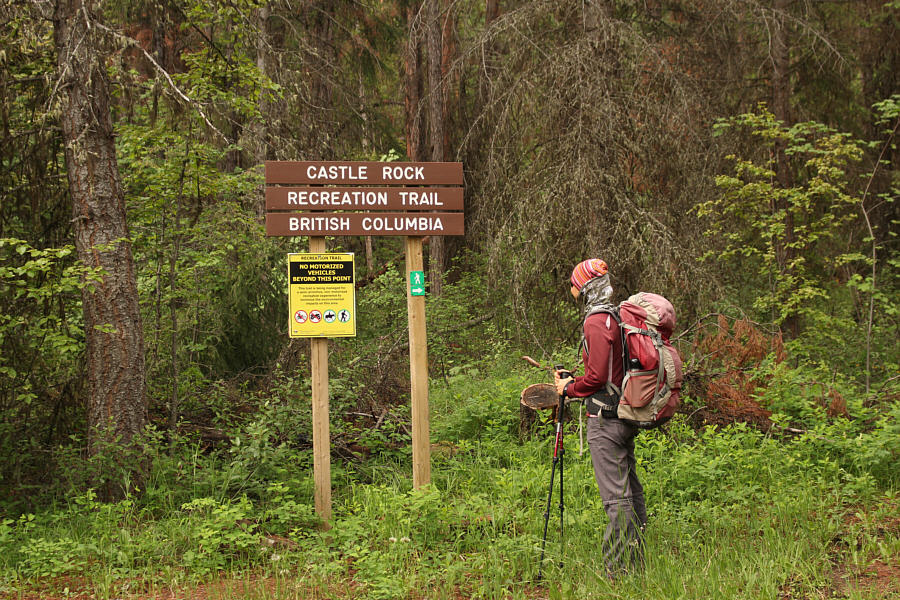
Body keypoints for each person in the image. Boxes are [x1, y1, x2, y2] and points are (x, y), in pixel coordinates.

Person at [554, 258, 647, 578]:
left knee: (616, 500)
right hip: (625, 414)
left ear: (586, 288)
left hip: (606, 419)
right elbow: (609, 369)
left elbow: (595, 378)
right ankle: (637, 563)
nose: (574, 293)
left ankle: (619, 574)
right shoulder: (618, 315)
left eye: (577, 288)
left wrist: (569, 388)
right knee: (631, 491)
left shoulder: (595, 321)